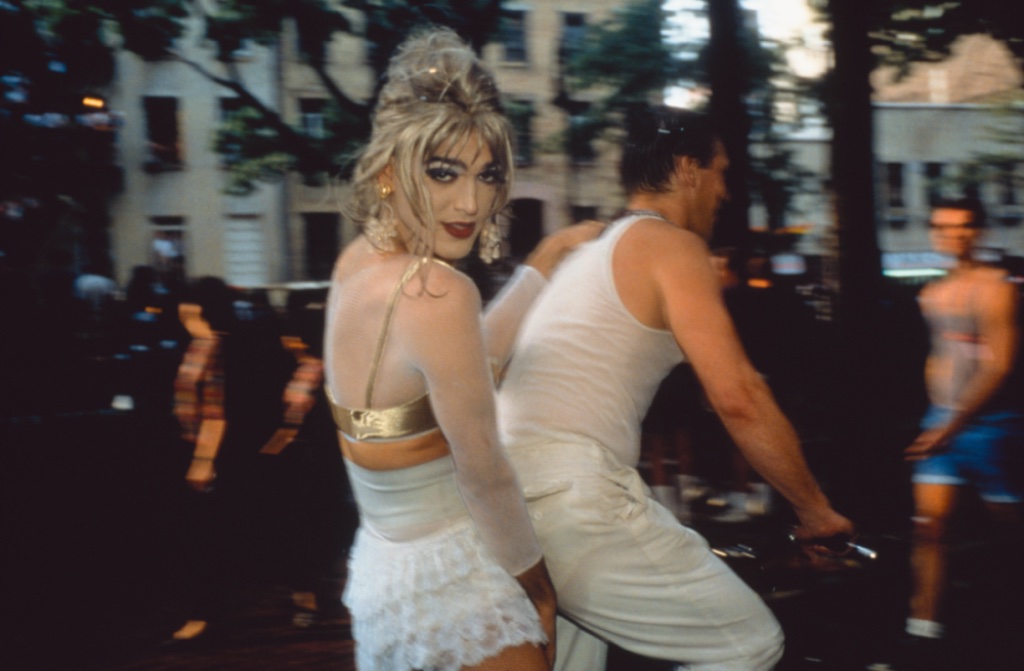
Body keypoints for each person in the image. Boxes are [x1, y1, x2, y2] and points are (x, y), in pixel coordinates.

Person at [496, 105, 855, 671]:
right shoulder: (672, 246)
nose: (727, 192)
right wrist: (816, 511)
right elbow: (738, 395)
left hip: (510, 501)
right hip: (573, 497)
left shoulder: (591, 253)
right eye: (722, 172)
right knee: (748, 645)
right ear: (689, 169)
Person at [322, 27, 599, 671]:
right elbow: (485, 471)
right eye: (444, 174)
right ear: (391, 173)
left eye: (486, 175)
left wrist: (543, 263)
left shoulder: (356, 264)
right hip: (459, 578)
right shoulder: (439, 291)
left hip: (383, 573)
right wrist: (536, 583)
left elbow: (468, 356)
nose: (470, 202)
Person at [901, 197, 1023, 647]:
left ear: (980, 231)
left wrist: (947, 430)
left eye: (964, 226)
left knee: (1012, 531)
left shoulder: (998, 287)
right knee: (929, 528)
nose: (954, 235)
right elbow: (943, 354)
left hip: (992, 427)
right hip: (943, 421)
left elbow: (1000, 365)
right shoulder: (931, 292)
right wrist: (939, 419)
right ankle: (922, 630)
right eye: (943, 227)